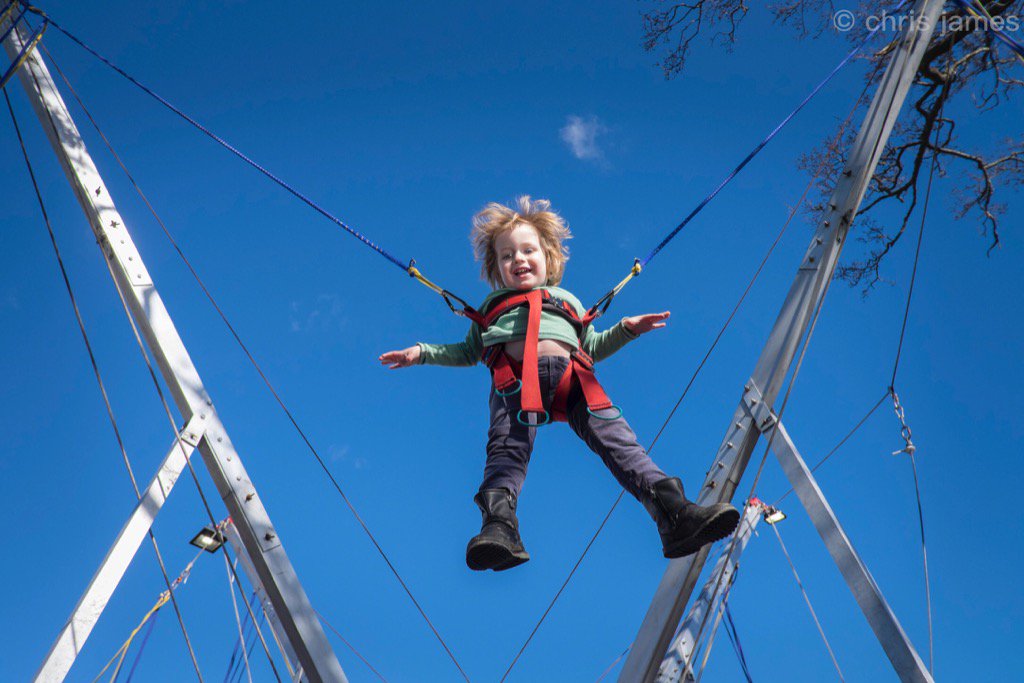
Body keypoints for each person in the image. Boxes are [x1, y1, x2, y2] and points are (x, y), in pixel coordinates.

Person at [379, 196, 739, 571]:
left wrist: (627, 329)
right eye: (507, 256)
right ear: (496, 269)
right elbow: (466, 351)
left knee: (621, 445)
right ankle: (499, 529)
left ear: (547, 257)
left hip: (576, 383)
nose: (518, 260)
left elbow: (593, 344)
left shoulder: (566, 299)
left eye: (527, 250)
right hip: (513, 389)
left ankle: (676, 515)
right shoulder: (489, 308)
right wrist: (420, 352)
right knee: (505, 454)